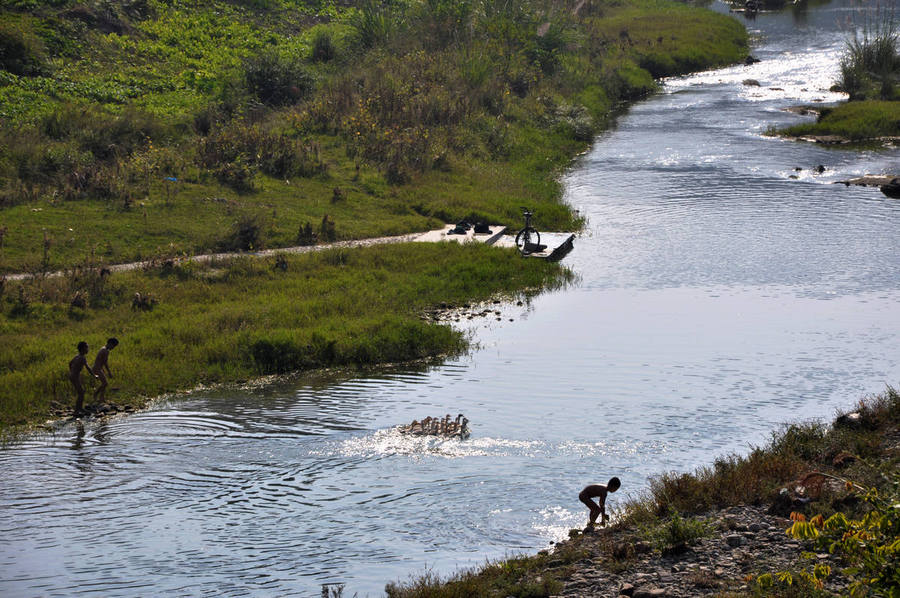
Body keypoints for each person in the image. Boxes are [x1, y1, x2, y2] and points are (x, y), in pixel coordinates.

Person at [69, 341, 98, 416]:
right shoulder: (82, 358)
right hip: (75, 376)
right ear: (83, 349)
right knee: (81, 393)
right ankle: (76, 411)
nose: (88, 349)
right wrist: (94, 375)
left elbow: (70, 363)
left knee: (82, 392)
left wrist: (72, 371)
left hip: (73, 375)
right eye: (87, 347)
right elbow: (88, 368)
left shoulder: (77, 356)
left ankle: (80, 408)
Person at [92, 337, 119, 403]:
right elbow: (105, 362)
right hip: (97, 368)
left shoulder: (103, 349)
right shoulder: (105, 350)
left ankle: (100, 397)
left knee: (104, 383)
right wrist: (109, 372)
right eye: (113, 346)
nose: (113, 348)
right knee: (105, 383)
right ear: (110, 343)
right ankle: (98, 396)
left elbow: (101, 361)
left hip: (98, 368)